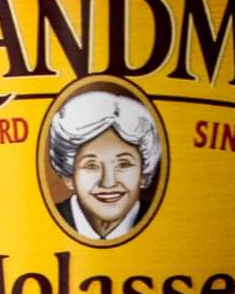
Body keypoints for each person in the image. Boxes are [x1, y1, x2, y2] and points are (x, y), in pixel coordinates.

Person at [47, 88, 162, 241]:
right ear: (68, 176)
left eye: (123, 164)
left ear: (143, 173)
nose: (108, 183)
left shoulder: (168, 223)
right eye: (91, 166)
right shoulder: (39, 221)